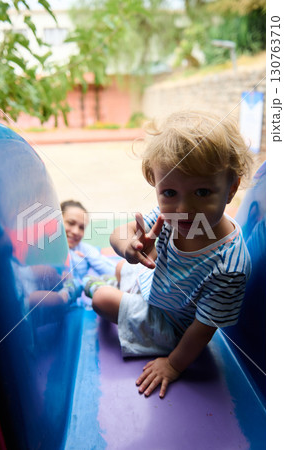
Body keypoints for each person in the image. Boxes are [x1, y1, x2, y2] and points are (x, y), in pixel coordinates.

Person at [84, 110, 253, 399]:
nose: (183, 207)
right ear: (157, 185)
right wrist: (127, 248)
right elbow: (120, 232)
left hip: (173, 326)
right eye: (170, 193)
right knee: (121, 267)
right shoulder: (168, 217)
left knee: (100, 299)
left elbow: (204, 327)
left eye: (202, 192)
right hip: (151, 287)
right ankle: (117, 280)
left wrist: (173, 365)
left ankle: (96, 285)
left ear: (231, 188)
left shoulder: (230, 263)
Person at [61, 200, 116, 281]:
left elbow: (115, 273)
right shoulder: (43, 245)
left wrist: (86, 259)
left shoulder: (84, 249)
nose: (76, 231)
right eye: (71, 223)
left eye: (81, 227)